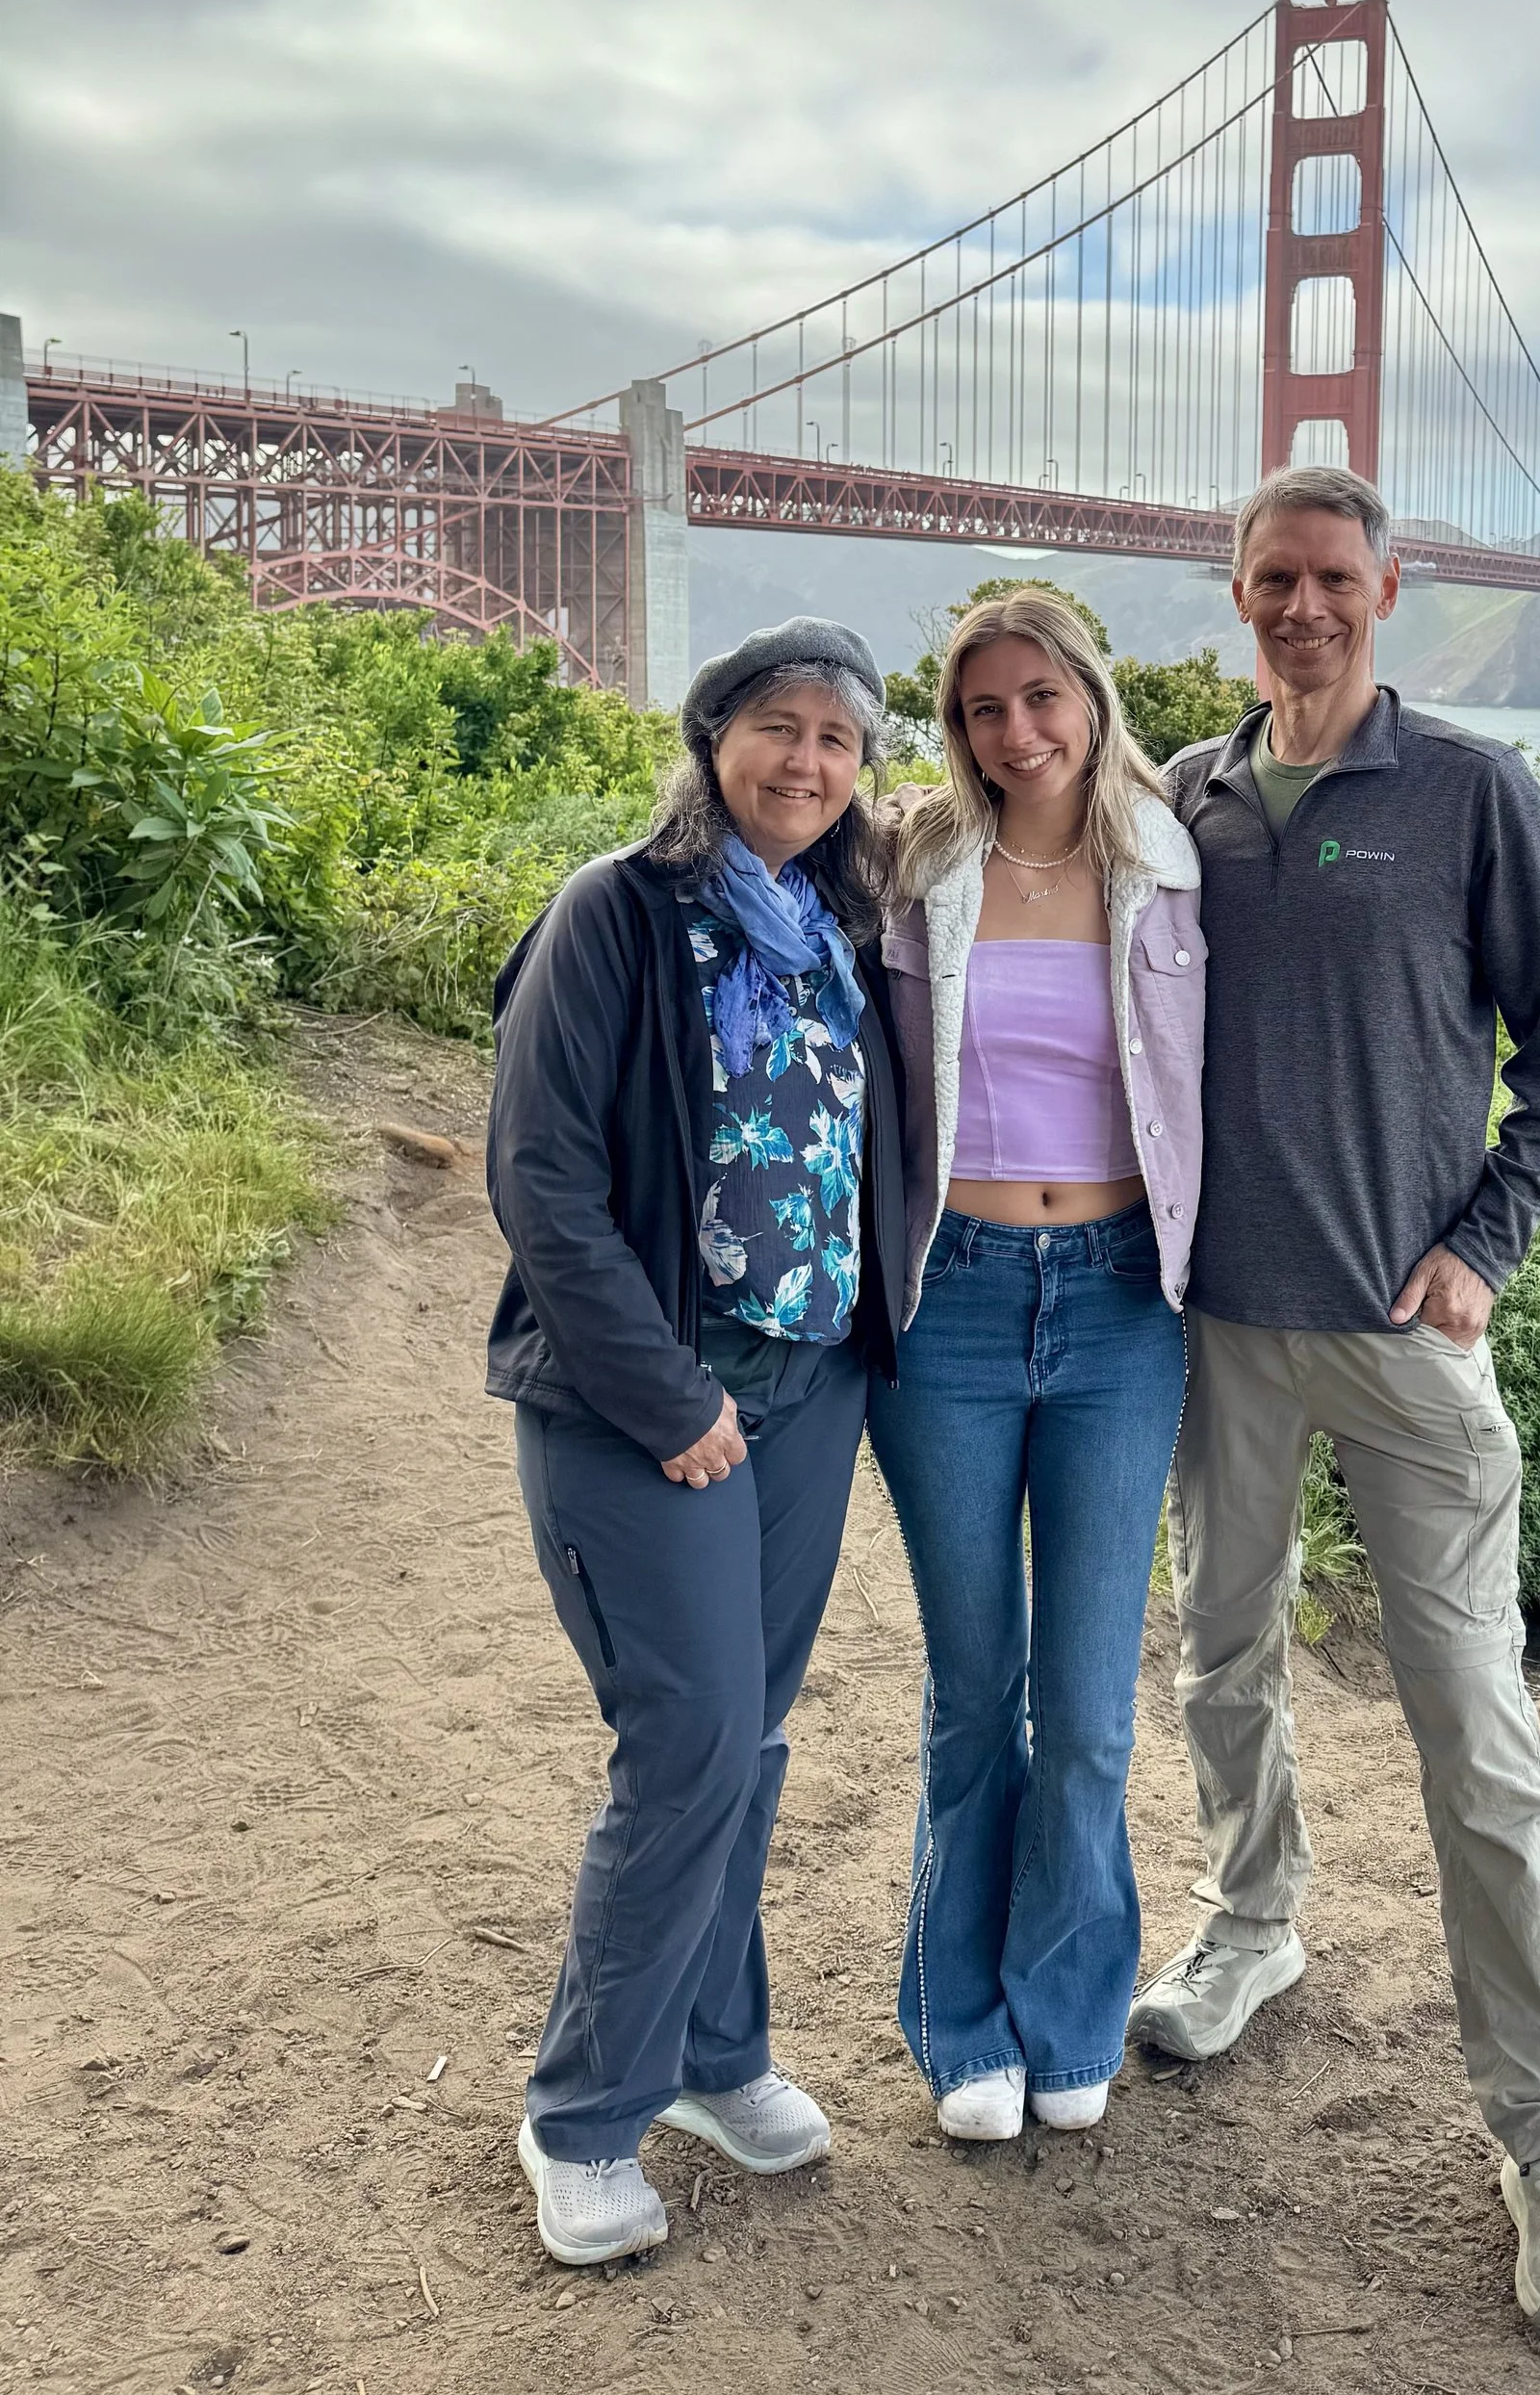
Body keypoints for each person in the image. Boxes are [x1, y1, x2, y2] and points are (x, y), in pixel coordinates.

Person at [1128, 466, 1540, 2336]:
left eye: (1332, 578)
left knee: (1474, 1732)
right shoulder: (1177, 800)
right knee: (1218, 1655)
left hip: (1402, 1335)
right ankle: (1251, 1920)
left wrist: (1482, 1250)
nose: (1300, 607)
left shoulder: (1471, 791)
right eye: (1270, 577)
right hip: (1218, 1331)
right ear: (1236, 591)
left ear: (1386, 590)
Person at [485, 620, 907, 2270]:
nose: (808, 764)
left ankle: (716, 2058)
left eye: (841, 741)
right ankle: (583, 2112)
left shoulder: (838, 924)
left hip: (811, 1388)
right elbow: (543, 1181)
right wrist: (672, 1401)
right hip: (642, 1399)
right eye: (778, 729)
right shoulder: (616, 912)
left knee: (753, 1741)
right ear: (713, 735)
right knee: (691, 1745)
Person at [876, 588, 1202, 2143]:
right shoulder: (915, 859)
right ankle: (960, 2022)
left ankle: (1068, 2006)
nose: (1017, 733)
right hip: (949, 1299)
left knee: (1084, 1703)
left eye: (1040, 697)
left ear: (1092, 693)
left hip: (1123, 1302)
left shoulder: (1175, 862)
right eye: (983, 710)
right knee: (973, 1688)